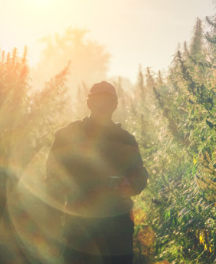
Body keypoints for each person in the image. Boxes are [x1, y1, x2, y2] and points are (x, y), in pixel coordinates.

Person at [45, 81, 148, 264]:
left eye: (108, 101)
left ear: (115, 105)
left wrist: (129, 184)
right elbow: (52, 178)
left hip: (117, 230)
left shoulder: (126, 140)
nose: (103, 105)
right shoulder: (67, 136)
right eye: (98, 100)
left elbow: (140, 176)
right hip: (80, 230)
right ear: (89, 103)